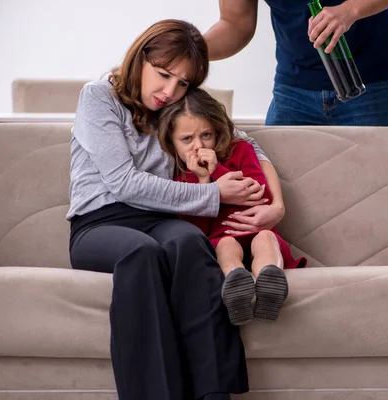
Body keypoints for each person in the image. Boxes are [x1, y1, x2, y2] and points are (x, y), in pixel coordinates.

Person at [67, 19, 285, 400]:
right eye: (163, 75)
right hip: (98, 224)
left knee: (189, 242)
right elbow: (123, 183)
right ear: (141, 58)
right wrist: (215, 194)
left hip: (161, 220)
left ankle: (214, 392)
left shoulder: (177, 106)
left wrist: (278, 205)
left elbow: (244, 142)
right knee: (142, 254)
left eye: (182, 83)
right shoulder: (98, 96)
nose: (169, 91)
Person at [157, 89, 307, 326]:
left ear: (217, 130)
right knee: (226, 247)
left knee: (266, 238)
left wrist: (217, 171)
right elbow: (195, 229)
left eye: (206, 135)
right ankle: (237, 286)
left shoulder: (240, 150)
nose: (198, 146)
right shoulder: (181, 174)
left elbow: (260, 195)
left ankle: (270, 283)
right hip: (220, 238)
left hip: (257, 230)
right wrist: (203, 183)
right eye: (187, 139)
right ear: (172, 142)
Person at [204, 0, 388, 127]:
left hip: (370, 85)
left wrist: (350, 9)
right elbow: (235, 23)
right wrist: (188, 49)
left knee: (382, 181)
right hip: (293, 90)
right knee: (278, 185)